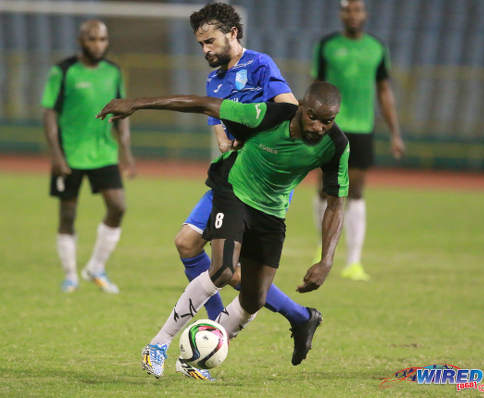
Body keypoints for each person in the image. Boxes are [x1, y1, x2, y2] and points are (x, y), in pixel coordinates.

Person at [97, 80, 349, 379]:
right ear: (301, 108)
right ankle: (158, 344)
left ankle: (194, 359)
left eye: (328, 121)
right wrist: (137, 103)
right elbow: (203, 103)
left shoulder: (336, 145)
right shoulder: (266, 115)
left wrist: (327, 259)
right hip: (235, 194)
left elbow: (335, 204)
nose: (320, 127)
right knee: (222, 270)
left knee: (254, 298)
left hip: (271, 214)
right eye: (314, 117)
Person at [171, 3, 322, 378]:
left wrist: (252, 135)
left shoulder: (260, 65)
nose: (205, 49)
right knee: (188, 244)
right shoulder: (214, 81)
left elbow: (289, 109)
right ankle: (223, 324)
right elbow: (220, 126)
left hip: (262, 184)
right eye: (200, 44)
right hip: (232, 177)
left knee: (237, 273)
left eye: (210, 41)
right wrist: (225, 138)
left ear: (233, 34)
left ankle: (282, 319)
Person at [311, 0, 405, 281]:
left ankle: (353, 261)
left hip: (362, 129)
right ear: (341, 14)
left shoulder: (377, 47)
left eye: (357, 10)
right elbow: (316, 86)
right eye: (348, 10)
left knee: (356, 190)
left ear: (365, 14)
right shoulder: (326, 45)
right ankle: (323, 246)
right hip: (330, 126)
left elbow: (384, 90)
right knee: (324, 189)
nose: (353, 15)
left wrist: (395, 132)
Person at [41, 20, 135, 294]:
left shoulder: (113, 71)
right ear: (82, 41)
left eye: (103, 39)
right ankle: (70, 275)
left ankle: (96, 266)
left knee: (118, 206)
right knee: (68, 215)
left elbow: (123, 111)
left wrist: (126, 151)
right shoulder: (64, 70)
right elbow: (49, 113)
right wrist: (56, 154)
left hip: (104, 152)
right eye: (92, 39)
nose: (98, 45)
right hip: (69, 154)